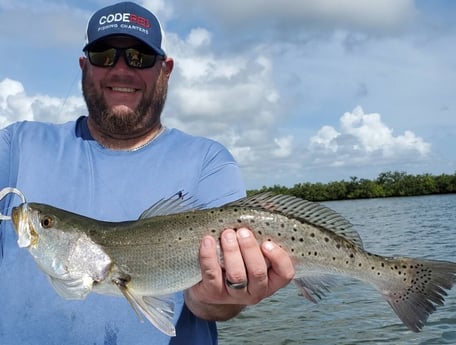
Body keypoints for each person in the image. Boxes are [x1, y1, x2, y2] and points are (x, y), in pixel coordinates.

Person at [0, 2, 294, 344]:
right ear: (84, 66)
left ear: (165, 69)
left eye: (139, 57)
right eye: (104, 54)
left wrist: (218, 297)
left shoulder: (208, 160)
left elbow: (213, 305)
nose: (121, 69)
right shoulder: (17, 144)